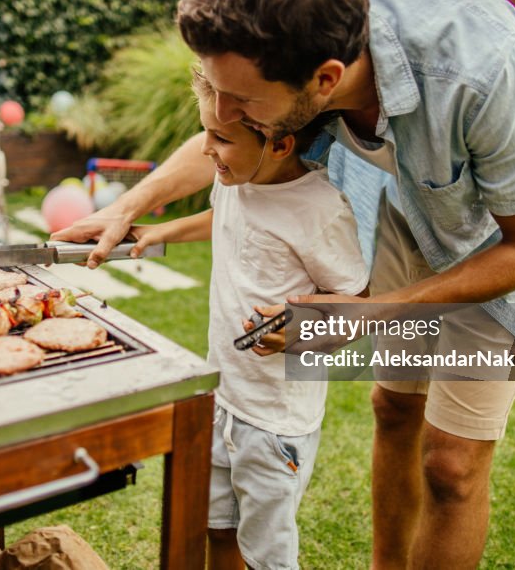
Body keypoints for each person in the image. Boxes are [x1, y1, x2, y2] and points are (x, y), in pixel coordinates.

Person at [53, 0, 515, 569]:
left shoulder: (483, 64)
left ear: (325, 81)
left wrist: (377, 308)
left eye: (238, 100)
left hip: (498, 243)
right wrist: (129, 203)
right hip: (405, 216)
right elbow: (229, 137)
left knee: (451, 464)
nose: (219, 113)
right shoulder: (289, 37)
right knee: (392, 407)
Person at [129, 69, 368, 570]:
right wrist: (160, 230)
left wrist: (301, 331)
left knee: (267, 555)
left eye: (220, 138)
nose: (207, 149)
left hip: (274, 421)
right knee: (217, 527)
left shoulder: (320, 210)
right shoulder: (236, 180)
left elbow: (357, 301)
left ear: (279, 144)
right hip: (222, 397)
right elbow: (225, 220)